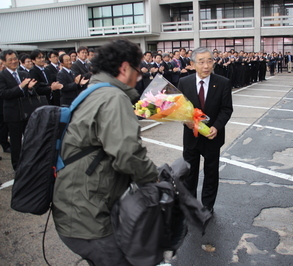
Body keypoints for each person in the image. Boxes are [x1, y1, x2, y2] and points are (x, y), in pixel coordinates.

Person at [52, 39, 159, 266]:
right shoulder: (113, 98)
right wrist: (154, 180)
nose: (139, 77)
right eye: (137, 71)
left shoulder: (93, 91)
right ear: (124, 68)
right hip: (86, 216)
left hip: (77, 206)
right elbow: (128, 155)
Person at [178, 47, 233, 213]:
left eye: (210, 61)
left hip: (212, 137)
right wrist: (185, 121)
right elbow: (179, 108)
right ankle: (191, 206)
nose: (206, 65)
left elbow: (226, 109)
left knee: (211, 173)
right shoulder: (184, 82)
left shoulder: (223, 82)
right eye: (201, 62)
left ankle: (207, 207)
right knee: (189, 174)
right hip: (191, 137)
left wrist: (216, 127)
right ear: (193, 64)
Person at [0, 50, 38, 169]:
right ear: (4, 62)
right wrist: (20, 87)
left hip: (26, 112)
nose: (13, 61)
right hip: (13, 113)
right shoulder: (2, 76)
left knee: (30, 139)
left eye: (15, 58)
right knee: (16, 143)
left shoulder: (23, 74)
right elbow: (4, 94)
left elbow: (31, 93)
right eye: (10, 59)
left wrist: (30, 89)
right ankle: (17, 166)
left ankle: (31, 163)